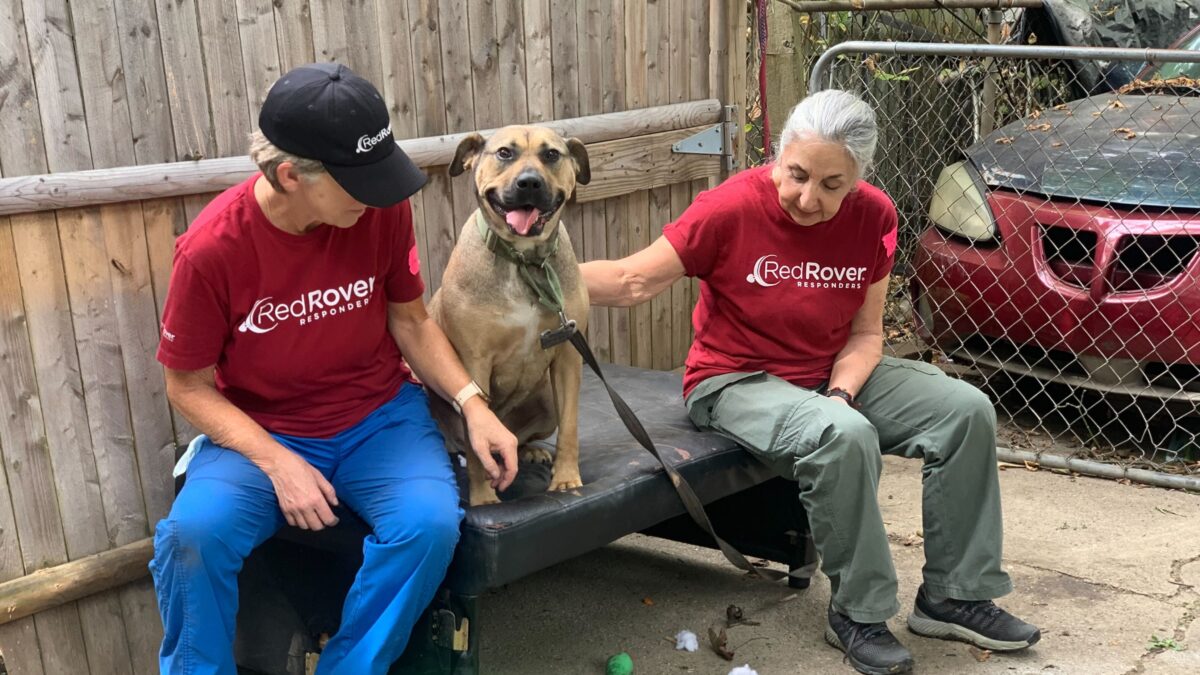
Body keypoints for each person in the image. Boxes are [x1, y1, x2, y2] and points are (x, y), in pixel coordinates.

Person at [580, 89, 1040, 675]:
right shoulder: (729, 208)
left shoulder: (875, 215)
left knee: (964, 409)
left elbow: (867, 334)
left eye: (831, 185)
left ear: (858, 178)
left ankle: (954, 595)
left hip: (829, 368)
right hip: (734, 379)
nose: (806, 197)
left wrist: (841, 392)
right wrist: (534, 271)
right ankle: (858, 613)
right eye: (796, 175)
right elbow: (630, 280)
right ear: (778, 156)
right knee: (841, 435)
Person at [149, 63, 518, 674]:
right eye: (360, 182)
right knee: (193, 537)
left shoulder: (378, 210)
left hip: (379, 418)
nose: (380, 193)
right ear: (291, 175)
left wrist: (472, 405)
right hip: (265, 431)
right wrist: (276, 461)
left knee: (427, 527)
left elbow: (412, 322)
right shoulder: (212, 249)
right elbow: (185, 386)